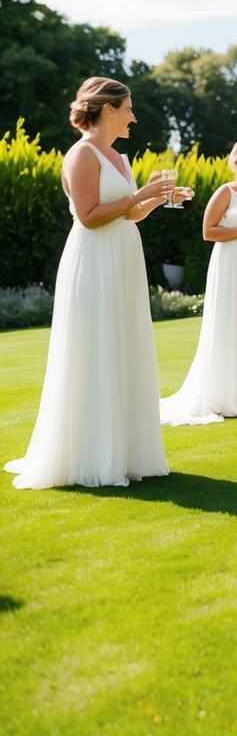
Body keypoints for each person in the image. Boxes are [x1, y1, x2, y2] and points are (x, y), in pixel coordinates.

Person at [5, 77, 182, 489]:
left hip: (123, 256)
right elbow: (88, 215)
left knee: (123, 344)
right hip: (94, 259)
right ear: (108, 110)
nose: (133, 116)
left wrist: (158, 198)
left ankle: (124, 451)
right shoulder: (81, 154)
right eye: (128, 109)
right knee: (96, 346)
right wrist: (141, 196)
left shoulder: (120, 158)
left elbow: (129, 214)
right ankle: (89, 455)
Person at [160, 138, 237, 425]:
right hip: (230, 264)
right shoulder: (224, 192)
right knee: (229, 321)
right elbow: (208, 232)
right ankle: (223, 395)